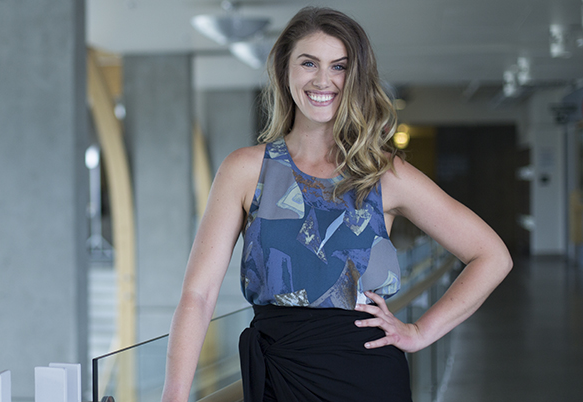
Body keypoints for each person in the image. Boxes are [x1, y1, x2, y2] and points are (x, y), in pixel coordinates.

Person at [161, 6, 512, 402]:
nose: (323, 80)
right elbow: (198, 295)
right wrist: (173, 396)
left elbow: (492, 256)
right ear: (285, 70)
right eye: (308, 63)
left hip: (367, 376)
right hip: (277, 373)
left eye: (339, 66)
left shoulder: (384, 174)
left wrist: (420, 331)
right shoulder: (245, 169)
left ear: (356, 77)